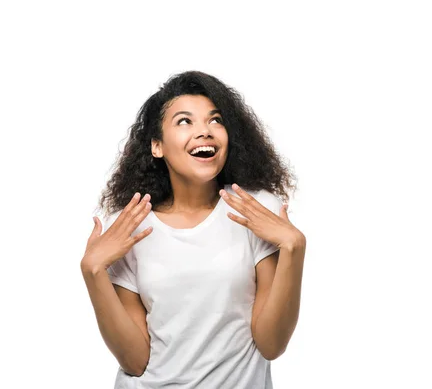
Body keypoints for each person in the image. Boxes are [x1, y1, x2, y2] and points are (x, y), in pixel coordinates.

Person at [80, 70, 306, 389]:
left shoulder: (254, 208)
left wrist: (294, 248)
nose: (205, 131)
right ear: (157, 146)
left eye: (215, 120)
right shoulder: (131, 223)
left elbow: (272, 344)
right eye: (185, 121)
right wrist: (93, 271)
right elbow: (134, 360)